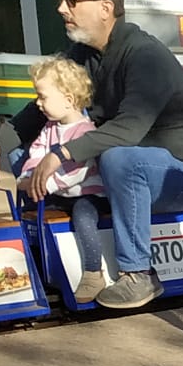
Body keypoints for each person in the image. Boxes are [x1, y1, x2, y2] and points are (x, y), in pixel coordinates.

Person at [0, 0, 183, 311]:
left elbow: (129, 129)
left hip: (181, 177)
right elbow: (39, 108)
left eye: (73, 0)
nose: (62, 8)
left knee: (118, 155)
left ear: (106, 8)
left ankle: (139, 273)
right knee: (27, 152)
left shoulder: (145, 55)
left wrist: (62, 154)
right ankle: (42, 249)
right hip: (121, 180)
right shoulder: (82, 55)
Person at [16, 57, 109, 303]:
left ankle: (93, 271)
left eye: (43, 97)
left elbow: (78, 171)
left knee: (83, 216)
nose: (38, 103)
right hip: (58, 194)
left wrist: (44, 183)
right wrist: (28, 176)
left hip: (88, 194)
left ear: (68, 100)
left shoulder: (85, 131)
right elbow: (36, 153)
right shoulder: (49, 128)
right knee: (31, 212)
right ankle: (32, 263)